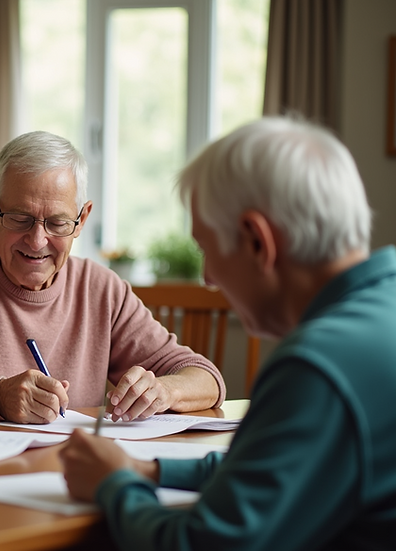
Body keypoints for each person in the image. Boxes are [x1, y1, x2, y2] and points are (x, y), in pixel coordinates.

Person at [60, 117, 396, 550]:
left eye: (206, 248)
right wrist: (154, 472)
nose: (207, 278)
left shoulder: (318, 367)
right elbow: (272, 467)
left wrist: (117, 484)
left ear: (258, 241)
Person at [0, 131, 224, 424]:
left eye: (57, 223)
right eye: (20, 218)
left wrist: (164, 390)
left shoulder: (102, 290)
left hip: (66, 478)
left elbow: (204, 376)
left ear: (82, 220)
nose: (37, 241)